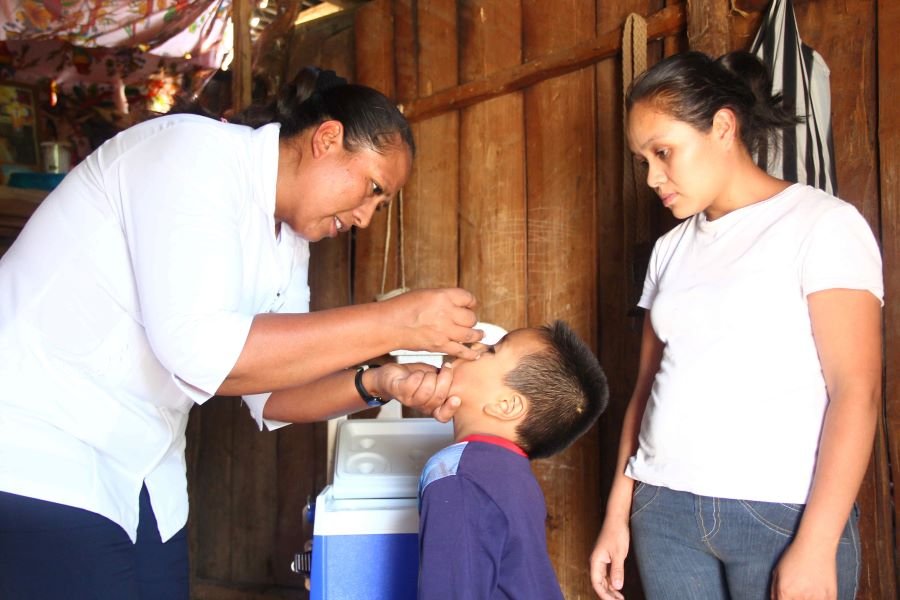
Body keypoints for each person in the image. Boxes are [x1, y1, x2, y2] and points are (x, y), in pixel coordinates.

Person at [0, 67, 486, 599]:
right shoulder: (192, 156)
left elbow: (271, 395)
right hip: (40, 445)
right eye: (372, 188)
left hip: (140, 466)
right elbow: (201, 353)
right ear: (327, 140)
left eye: (380, 204)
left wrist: (382, 381)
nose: (367, 217)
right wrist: (396, 320)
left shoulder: (287, 240)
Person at [589, 51, 883, 600]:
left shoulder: (823, 225)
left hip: (780, 515)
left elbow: (856, 392)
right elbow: (646, 390)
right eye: (643, 160)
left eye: (664, 152)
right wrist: (617, 512)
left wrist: (818, 544)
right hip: (664, 512)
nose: (653, 176)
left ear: (723, 126)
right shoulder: (669, 250)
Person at [418, 320, 609, 600]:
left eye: (493, 350)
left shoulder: (458, 475)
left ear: (505, 405)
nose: (477, 346)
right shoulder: (513, 474)